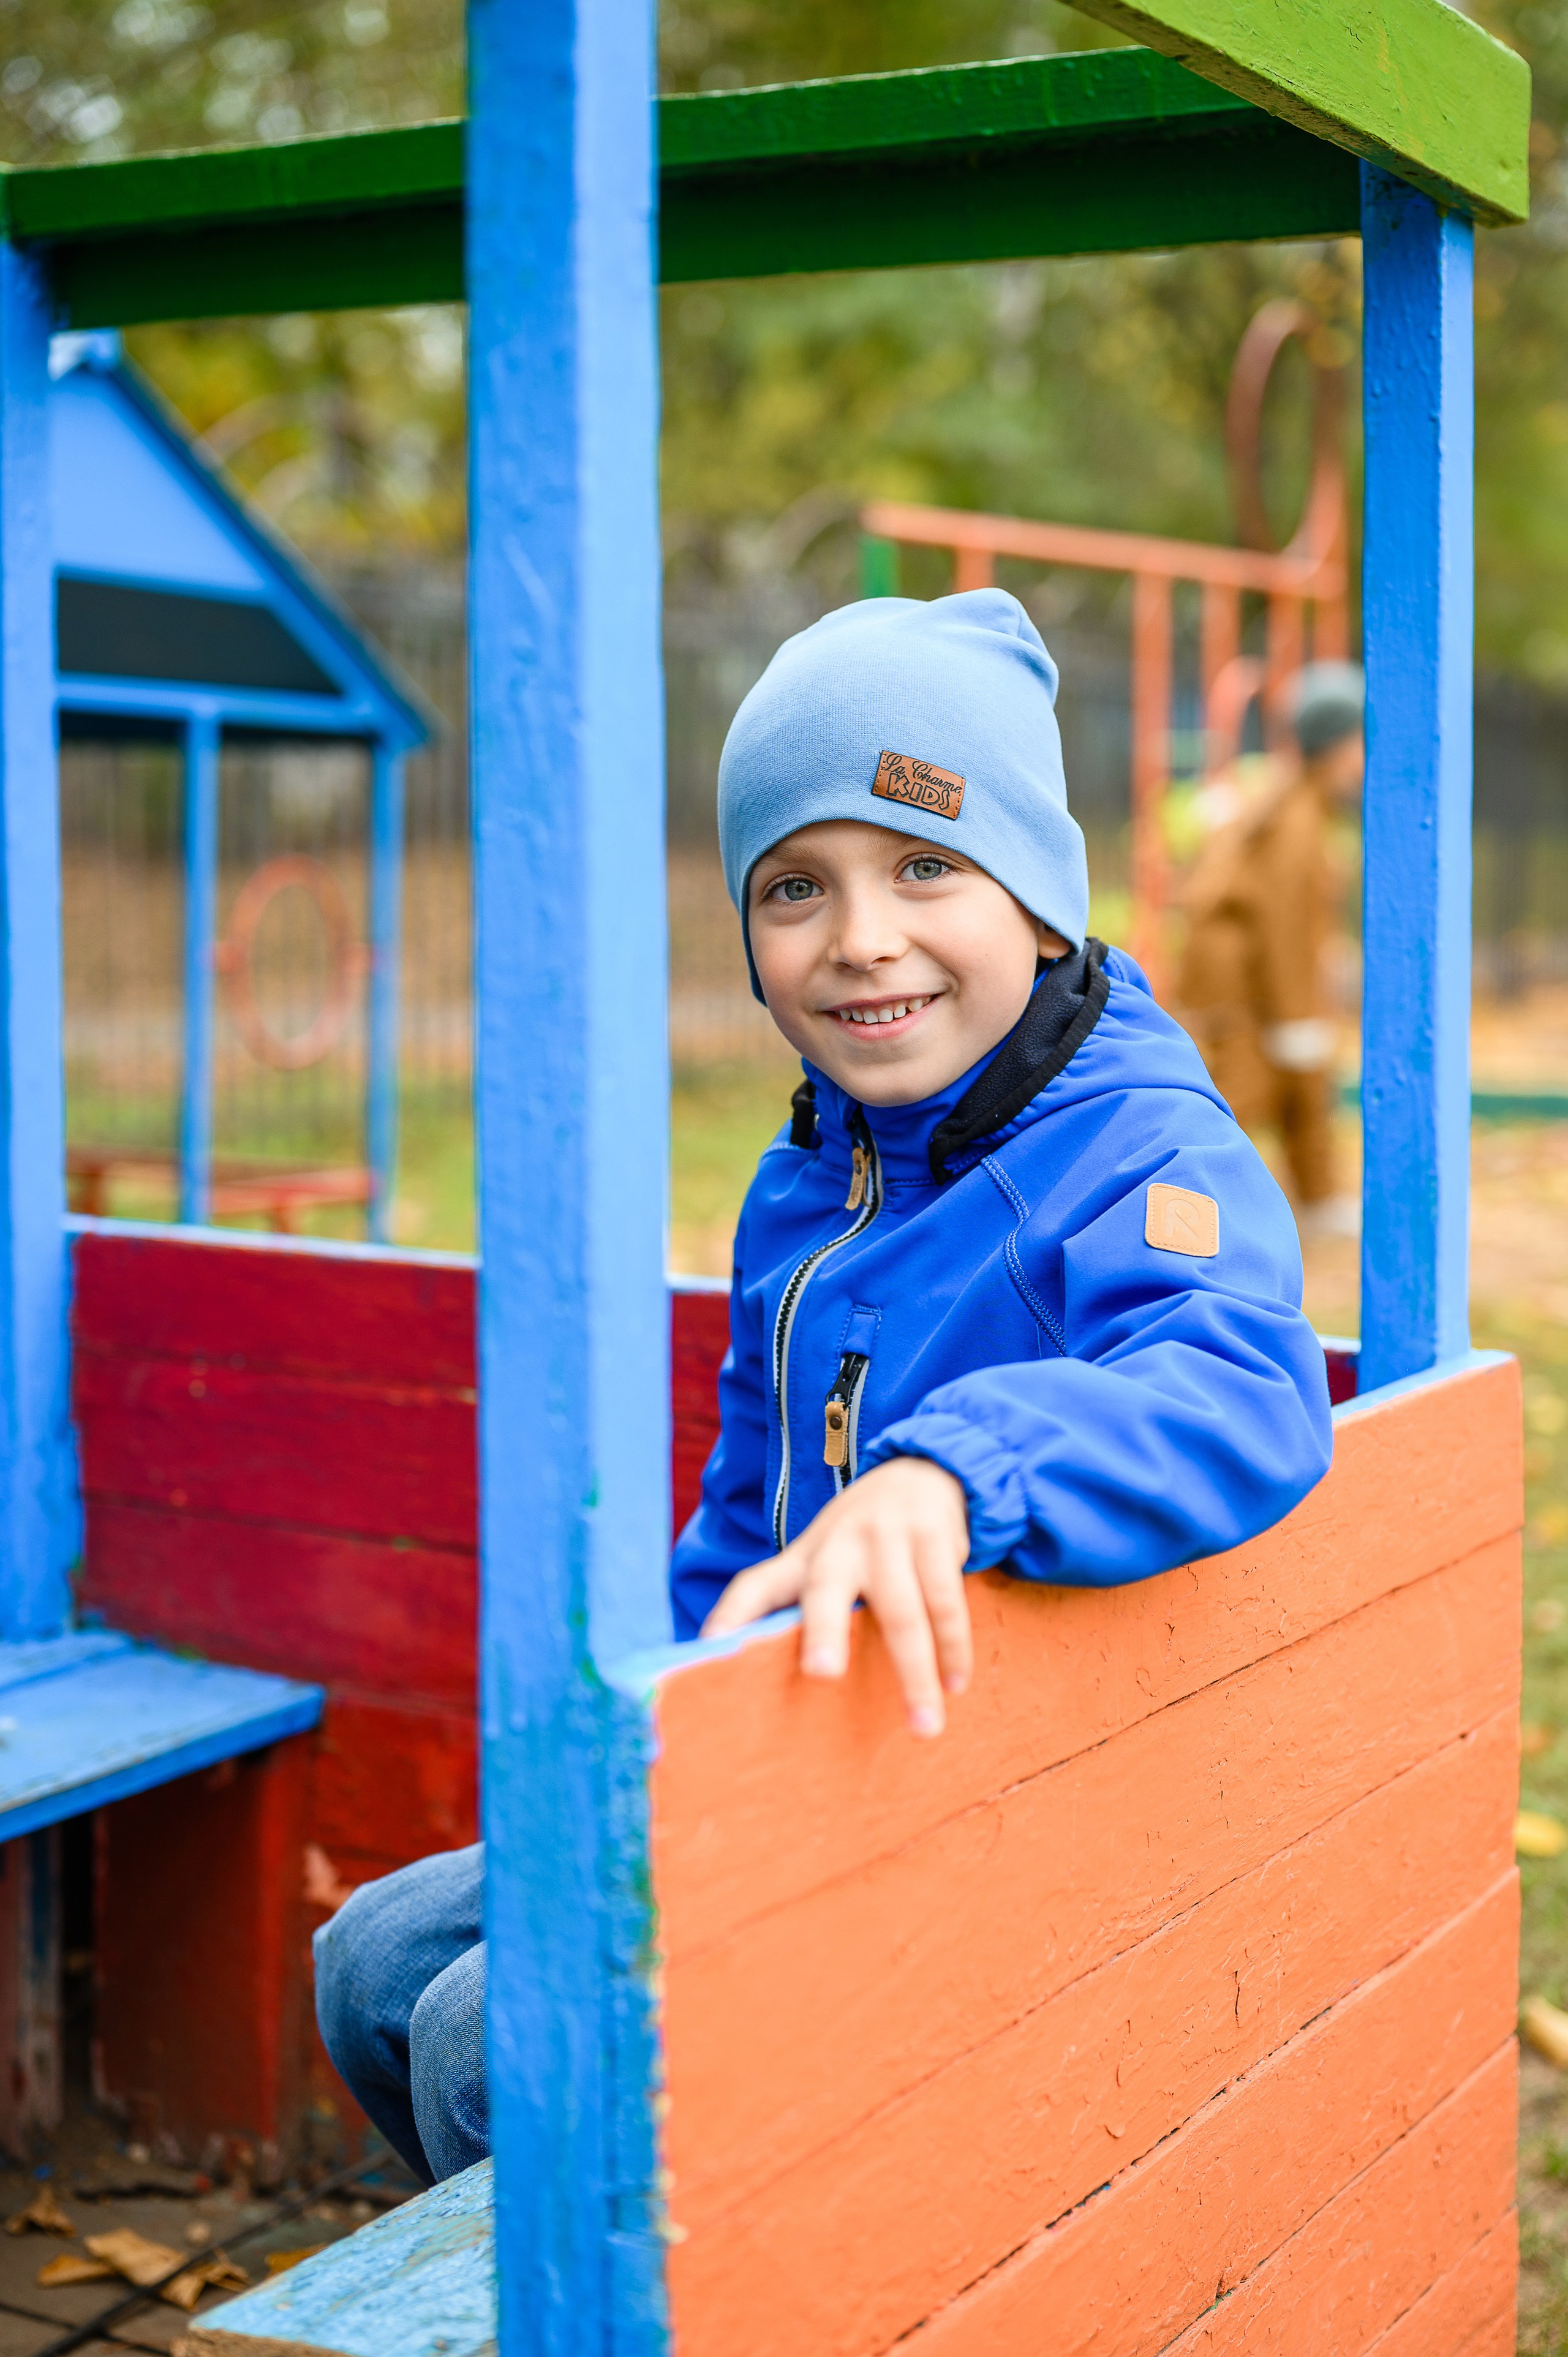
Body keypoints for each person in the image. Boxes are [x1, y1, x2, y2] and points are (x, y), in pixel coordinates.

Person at [314, 589, 1333, 2185]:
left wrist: (953, 1474)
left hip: (980, 1813)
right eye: (795, 887)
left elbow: (1235, 1378)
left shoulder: (1137, 1145)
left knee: (483, 2039)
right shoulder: (819, 1170)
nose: (861, 937)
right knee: (373, 1958)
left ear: (1043, 896)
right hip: (783, 1754)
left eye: (926, 863)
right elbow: (753, 1482)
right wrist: (675, 1717)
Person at [1172, 662, 1365, 1235]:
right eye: (1360, 745)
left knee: (1302, 1091)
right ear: (1335, 746)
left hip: (1244, 983)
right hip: (1245, 988)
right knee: (1248, 1093)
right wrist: (1297, 1015)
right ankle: (1179, 1203)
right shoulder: (1297, 821)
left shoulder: (1292, 804)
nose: (1364, 761)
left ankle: (1320, 1198)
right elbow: (1284, 927)